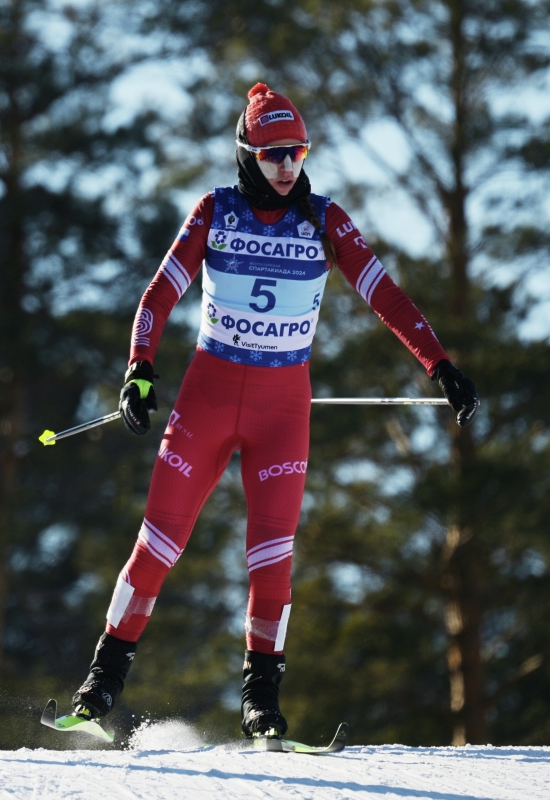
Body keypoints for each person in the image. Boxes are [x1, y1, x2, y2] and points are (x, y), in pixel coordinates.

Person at [69, 84, 479, 739]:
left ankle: (261, 700)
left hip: (282, 412)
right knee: (158, 546)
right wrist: (139, 369)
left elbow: (388, 297)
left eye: (297, 152)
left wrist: (440, 364)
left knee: (272, 560)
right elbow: (157, 294)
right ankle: (102, 680)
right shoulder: (215, 211)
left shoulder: (324, 219)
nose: (287, 167)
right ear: (245, 155)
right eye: (271, 155)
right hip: (207, 399)